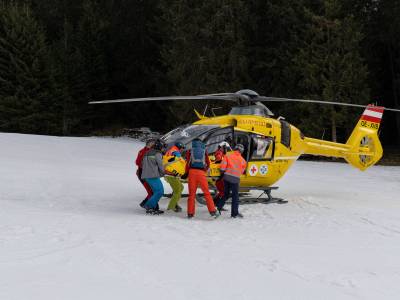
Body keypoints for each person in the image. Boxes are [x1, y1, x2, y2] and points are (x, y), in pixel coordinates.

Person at [185, 138, 219, 219]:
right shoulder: (204, 151)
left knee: (192, 194)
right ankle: (212, 212)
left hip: (192, 172)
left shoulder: (190, 151)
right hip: (201, 173)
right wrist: (204, 170)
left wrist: (186, 173)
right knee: (206, 193)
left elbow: (187, 163)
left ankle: (190, 213)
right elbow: (208, 163)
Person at [217, 144, 247, 218]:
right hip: (235, 180)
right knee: (235, 196)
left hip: (226, 178)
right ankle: (234, 213)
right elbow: (242, 172)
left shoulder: (228, 156)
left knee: (225, 194)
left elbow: (222, 167)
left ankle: (218, 209)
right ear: (241, 151)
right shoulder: (243, 161)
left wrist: (222, 173)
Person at [141, 140, 165, 215]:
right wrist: (162, 173)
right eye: (162, 147)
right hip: (153, 175)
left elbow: (142, 163)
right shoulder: (157, 153)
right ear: (160, 147)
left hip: (146, 175)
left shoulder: (147, 153)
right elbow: (160, 165)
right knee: (160, 192)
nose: (163, 149)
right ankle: (148, 206)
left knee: (156, 192)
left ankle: (153, 207)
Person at [164, 142, 185, 212]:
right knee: (177, 191)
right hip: (171, 174)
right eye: (182, 148)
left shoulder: (171, 150)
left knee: (181, 187)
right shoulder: (175, 152)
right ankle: (171, 207)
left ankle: (175, 203)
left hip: (169, 174)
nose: (183, 150)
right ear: (179, 147)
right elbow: (180, 161)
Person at [135, 139, 155, 208]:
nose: (154, 145)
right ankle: (148, 206)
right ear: (149, 144)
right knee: (151, 191)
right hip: (143, 173)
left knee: (152, 191)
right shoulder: (145, 152)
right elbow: (138, 162)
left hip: (145, 173)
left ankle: (144, 203)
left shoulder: (148, 151)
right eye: (152, 143)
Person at [213, 141, 231, 208]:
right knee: (224, 192)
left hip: (221, 177)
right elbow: (218, 159)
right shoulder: (219, 153)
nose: (227, 150)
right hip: (220, 178)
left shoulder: (222, 154)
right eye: (226, 149)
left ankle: (215, 203)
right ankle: (218, 204)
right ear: (223, 148)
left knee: (222, 192)